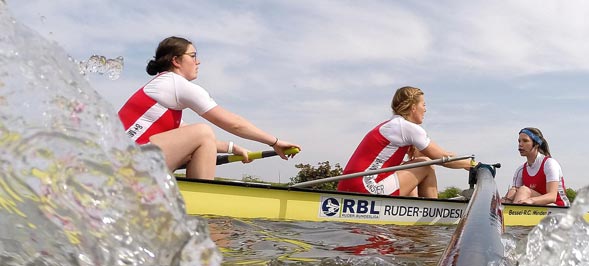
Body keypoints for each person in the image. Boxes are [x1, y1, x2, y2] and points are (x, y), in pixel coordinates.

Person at [118, 36, 300, 179]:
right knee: (203, 131)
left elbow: (192, 139)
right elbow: (234, 123)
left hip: (121, 164)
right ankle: (203, 209)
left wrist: (233, 148)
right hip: (124, 165)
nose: (198, 62)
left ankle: (194, 199)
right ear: (176, 61)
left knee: (199, 137)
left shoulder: (163, 91)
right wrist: (275, 142)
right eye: (193, 56)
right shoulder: (175, 84)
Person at [337, 86, 474, 198]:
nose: (425, 109)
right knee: (427, 165)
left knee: (420, 164)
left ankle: (412, 216)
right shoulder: (406, 127)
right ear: (413, 107)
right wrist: (474, 164)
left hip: (347, 187)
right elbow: (441, 158)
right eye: (423, 105)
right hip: (365, 188)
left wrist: (458, 159)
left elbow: (431, 155)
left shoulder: (394, 125)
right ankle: (434, 213)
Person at [502, 127, 570, 207]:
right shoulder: (520, 170)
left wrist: (530, 200)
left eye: (525, 141)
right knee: (512, 191)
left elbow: (552, 197)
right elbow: (513, 192)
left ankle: (513, 216)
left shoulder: (550, 164)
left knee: (523, 190)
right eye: (519, 141)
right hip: (537, 208)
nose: (520, 144)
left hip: (558, 207)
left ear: (537, 144)